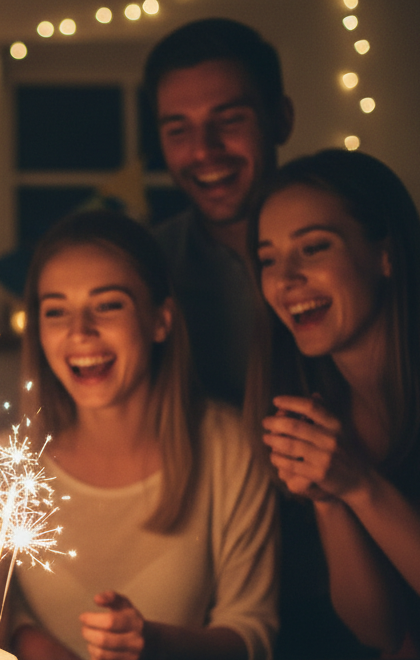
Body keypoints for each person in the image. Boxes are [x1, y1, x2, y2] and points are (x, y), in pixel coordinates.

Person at [251, 150, 420, 657]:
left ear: (385, 255)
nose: (285, 280)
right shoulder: (318, 406)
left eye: (313, 249)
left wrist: (362, 487)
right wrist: (329, 498)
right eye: (267, 259)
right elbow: (380, 633)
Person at [12, 210, 278, 660]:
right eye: (56, 311)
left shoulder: (228, 447)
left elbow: (254, 633)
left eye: (108, 305)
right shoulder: (4, 465)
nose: (80, 331)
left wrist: (155, 646)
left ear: (160, 321)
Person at [143, 18, 294, 406]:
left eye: (228, 121)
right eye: (178, 130)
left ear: (280, 119)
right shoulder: (146, 268)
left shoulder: (351, 240)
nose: (203, 150)